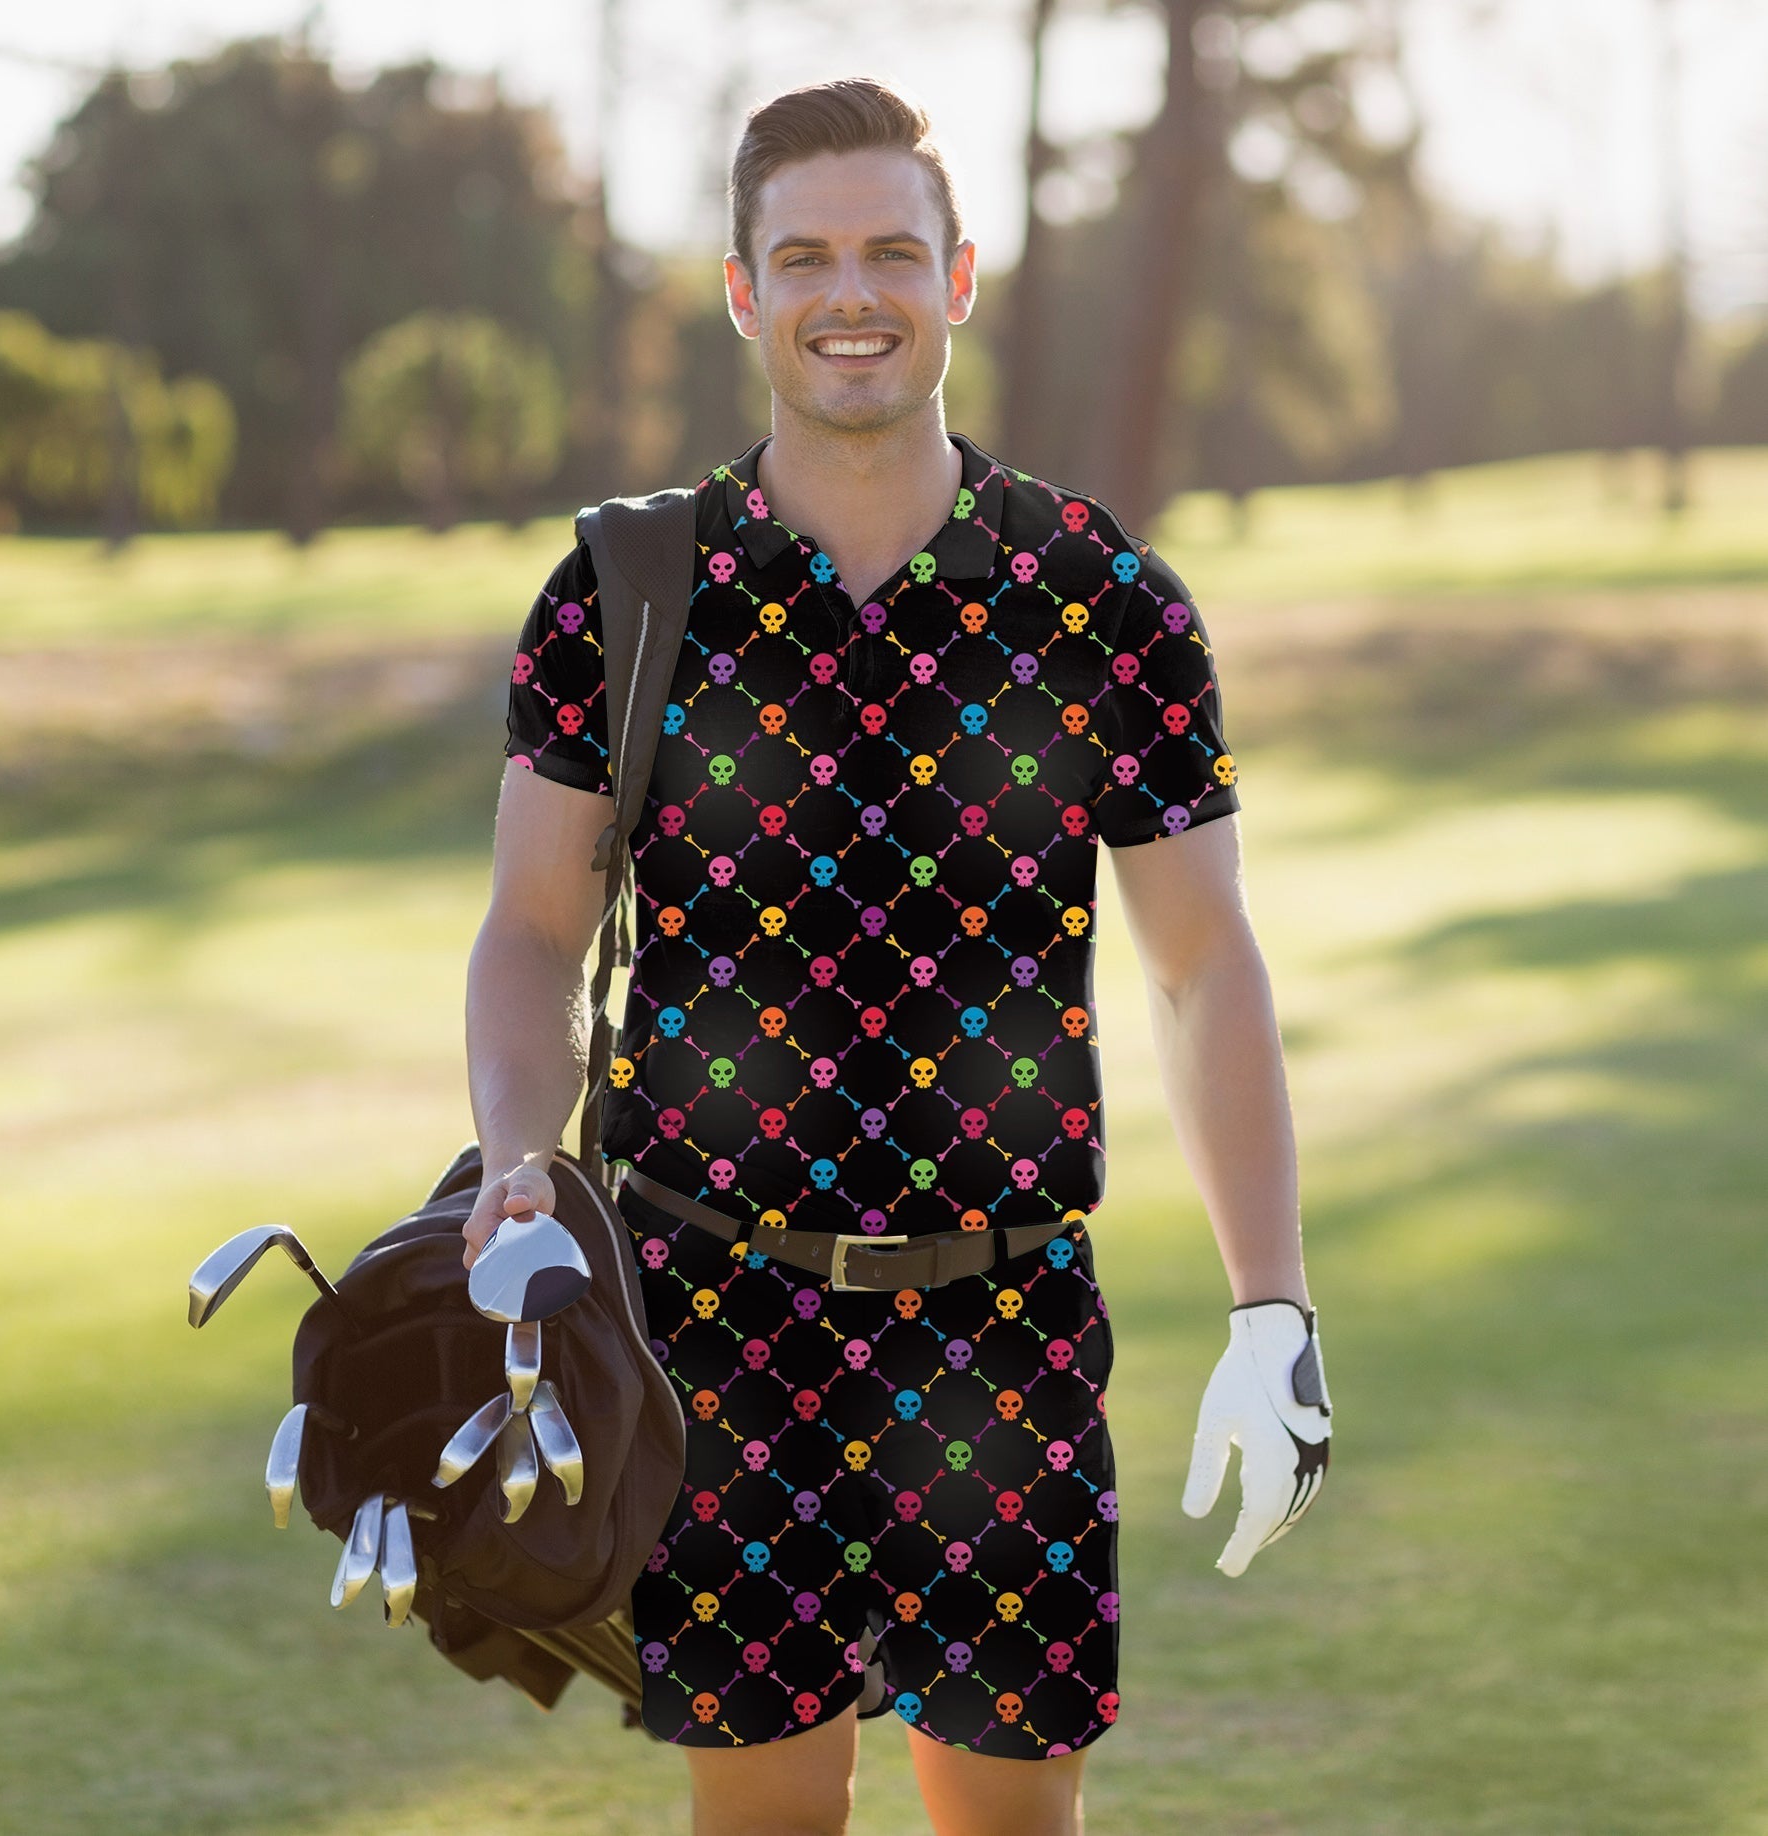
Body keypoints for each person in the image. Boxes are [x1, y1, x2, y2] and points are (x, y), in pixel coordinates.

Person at [464, 77, 1328, 1836]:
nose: (849, 291)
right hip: (711, 1315)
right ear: (741, 290)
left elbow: (1202, 969)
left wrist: (1274, 1308)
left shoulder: (1104, 599)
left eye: (888, 251)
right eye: (805, 256)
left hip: (1004, 1318)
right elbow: (535, 929)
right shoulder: (625, 592)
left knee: (1010, 1821)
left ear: (962, 276)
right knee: (767, 1820)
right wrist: (514, 1162)